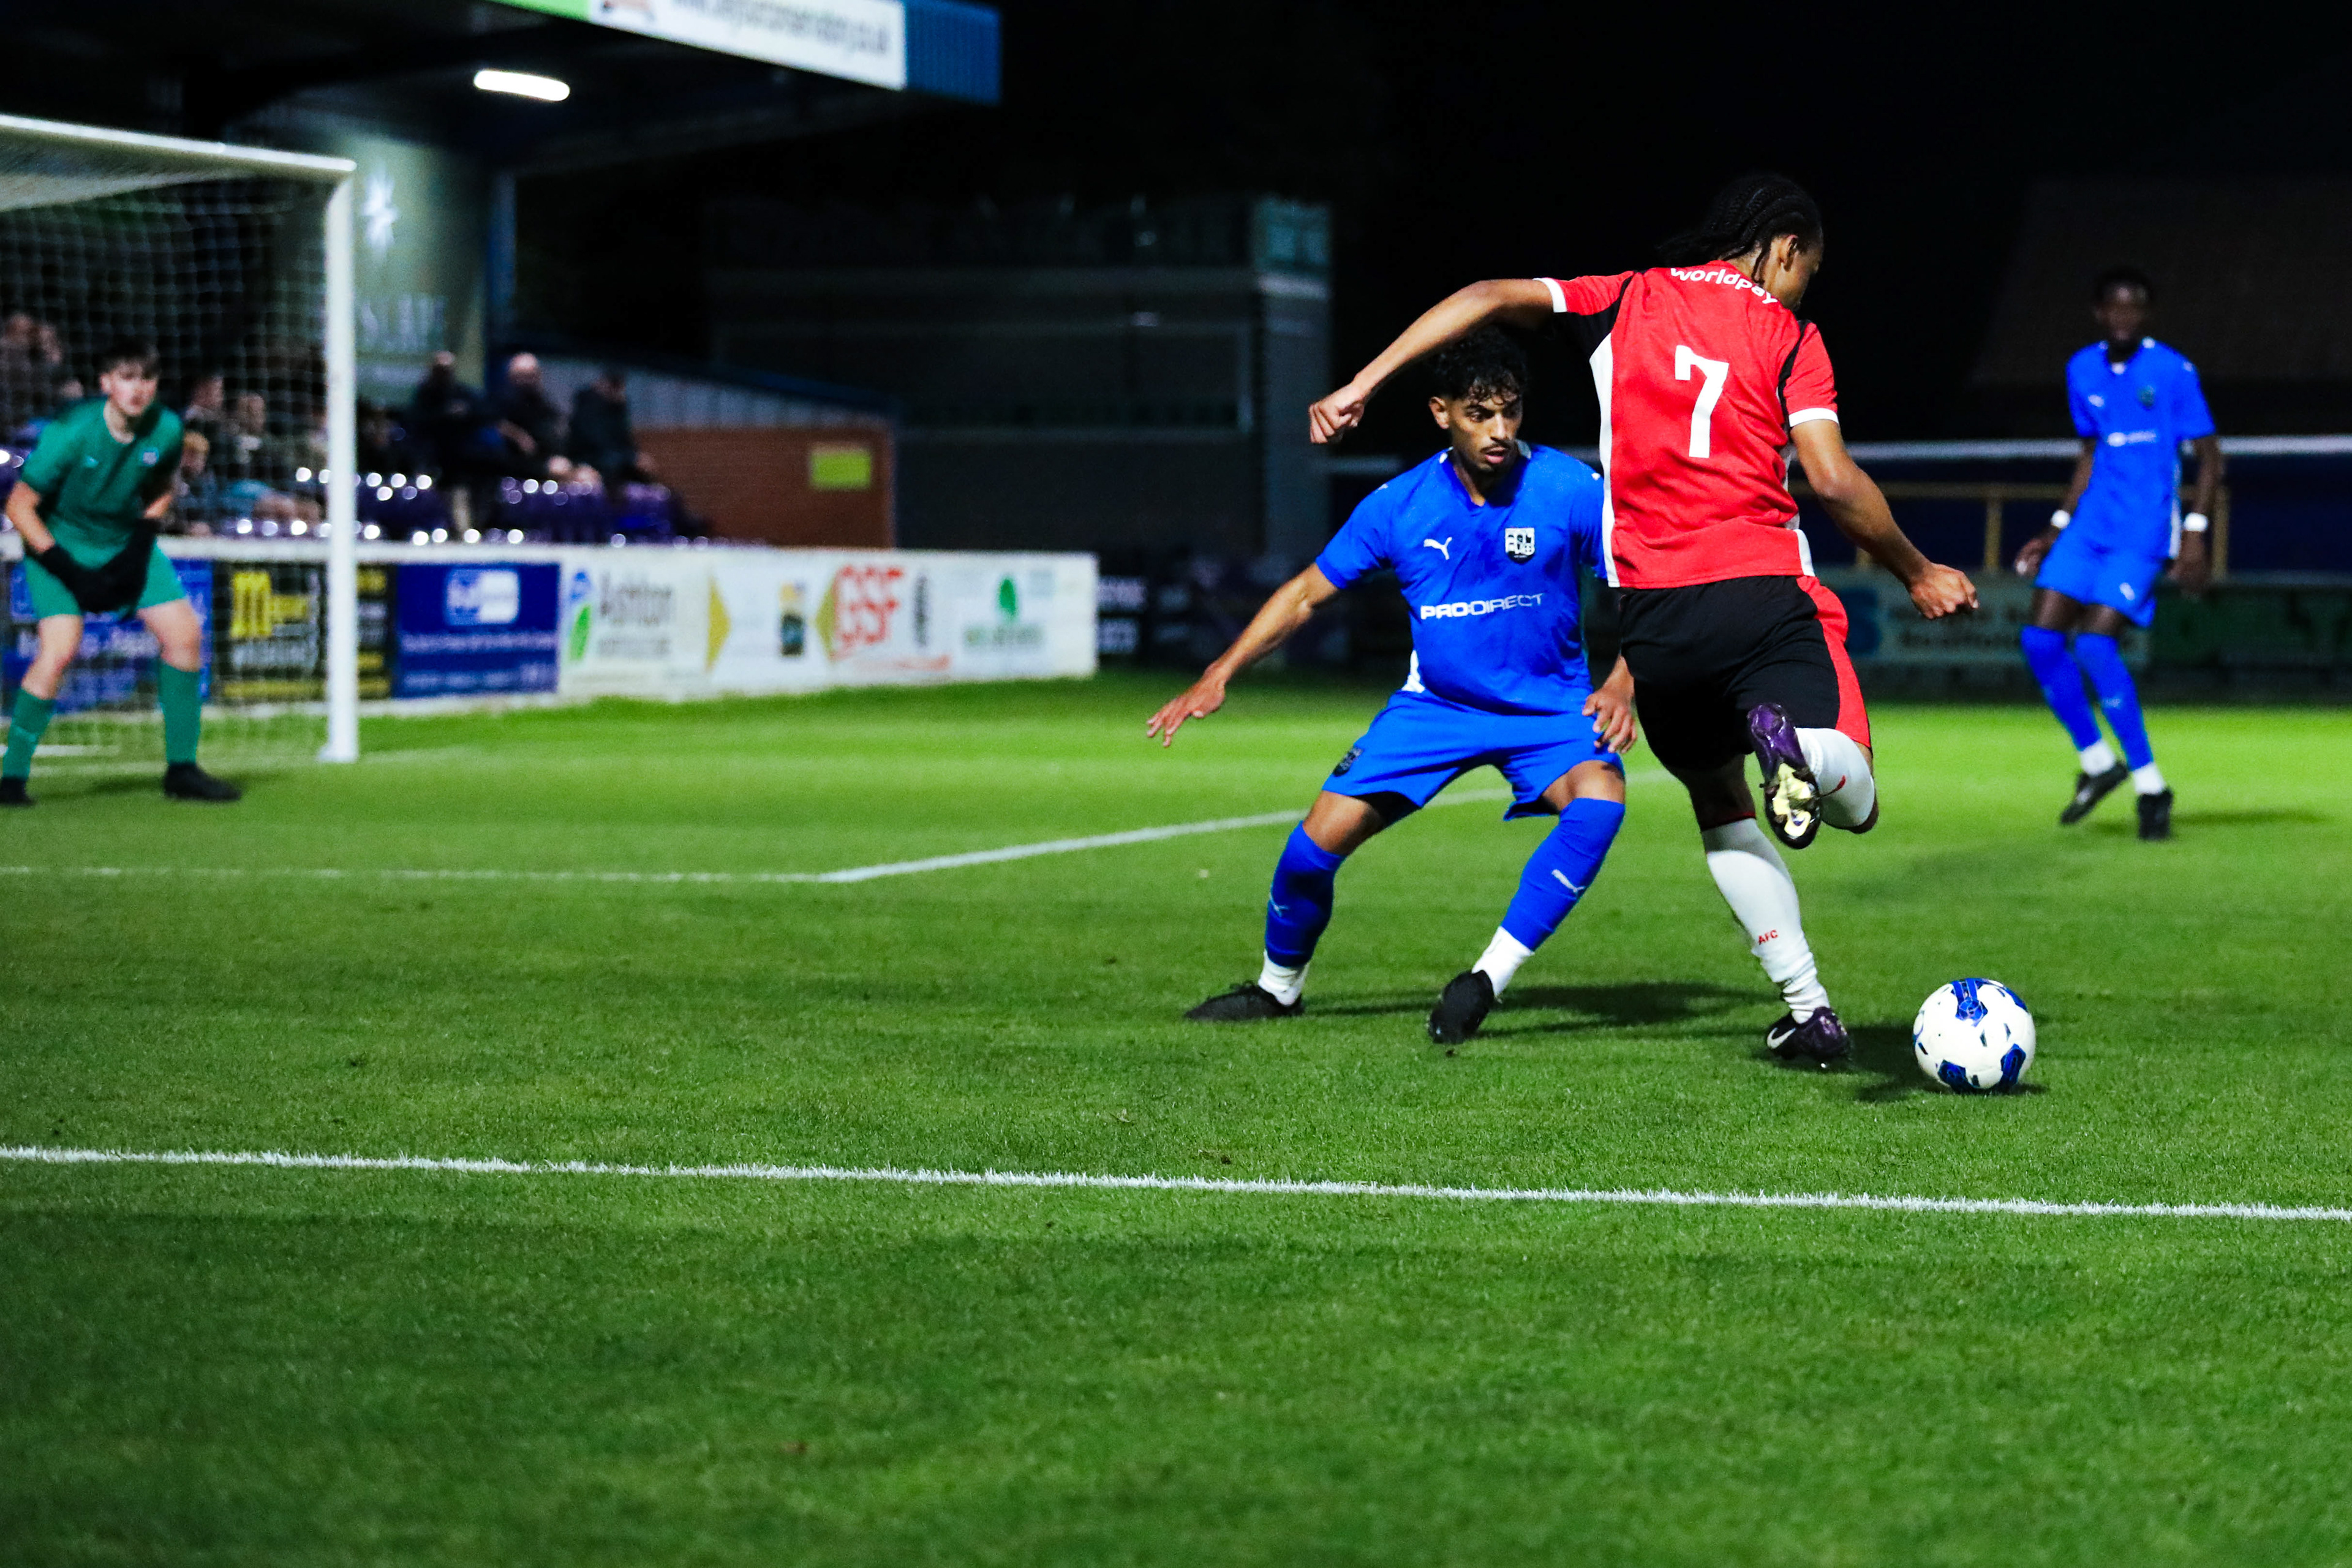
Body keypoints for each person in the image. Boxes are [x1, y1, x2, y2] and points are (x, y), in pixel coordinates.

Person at [1310, 173, 1978, 1068]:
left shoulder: (1625, 298)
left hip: (1655, 624)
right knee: (1852, 797)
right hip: (1762, 593)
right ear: (1784, 250)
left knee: (1718, 800)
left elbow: (1483, 299)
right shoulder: (1790, 336)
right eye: (1804, 271)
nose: (1800, 288)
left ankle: (1809, 1011)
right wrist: (1917, 568)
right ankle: (1800, 750)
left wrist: (1363, 383)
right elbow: (1830, 477)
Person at [1151, 328, 1637, 1043]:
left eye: (1511, 412)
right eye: (1480, 414)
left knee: (1600, 802)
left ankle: (1485, 979)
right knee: (1309, 852)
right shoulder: (1398, 506)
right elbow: (1305, 594)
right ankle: (1277, 990)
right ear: (1441, 412)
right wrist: (1219, 673)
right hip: (1435, 709)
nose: (1499, 431)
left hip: (1548, 709)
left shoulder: (1570, 489)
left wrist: (1624, 680)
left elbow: (1650, 591)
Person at [2010, 266, 2215, 842]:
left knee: (2097, 647)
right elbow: (2089, 454)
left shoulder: (2173, 370)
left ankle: (2151, 786)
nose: (2124, 317)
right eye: (2114, 308)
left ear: (2146, 315)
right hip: (2089, 527)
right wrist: (2055, 527)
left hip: (2144, 531)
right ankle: (2100, 764)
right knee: (2040, 641)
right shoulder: (2082, 368)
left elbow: (2211, 455)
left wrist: (2195, 531)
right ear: (2100, 313)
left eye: (2135, 309)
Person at [1, 337, 239, 805]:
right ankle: (11, 779)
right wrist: (68, 569)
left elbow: (161, 489)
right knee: (59, 651)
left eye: (146, 378)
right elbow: (19, 507)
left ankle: (182, 770)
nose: (138, 389)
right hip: (58, 544)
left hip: (123, 541)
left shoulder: (168, 429)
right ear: (106, 383)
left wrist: (140, 543)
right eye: (127, 378)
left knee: (184, 637)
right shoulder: (71, 431)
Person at [566, 366, 654, 485]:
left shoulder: (618, 408)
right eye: (613, 385)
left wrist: (635, 457)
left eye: (619, 385)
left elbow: (625, 441)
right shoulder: (588, 408)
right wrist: (630, 459)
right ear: (602, 383)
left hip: (615, 460)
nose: (615, 390)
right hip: (590, 461)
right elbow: (596, 444)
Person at [495, 352, 571, 482]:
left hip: (544, 458)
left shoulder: (545, 405)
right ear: (511, 377)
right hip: (514, 464)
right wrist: (519, 436)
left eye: (532, 375)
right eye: (522, 376)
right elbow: (497, 425)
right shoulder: (501, 403)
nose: (527, 381)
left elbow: (553, 436)